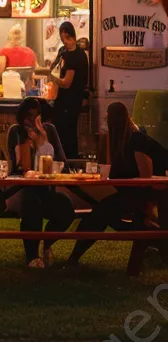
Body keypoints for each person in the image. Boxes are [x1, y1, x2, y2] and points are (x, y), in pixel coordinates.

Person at [66, 102, 155, 266]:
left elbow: (146, 177)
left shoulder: (137, 140)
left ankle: (74, 257)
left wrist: (147, 210)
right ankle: (74, 257)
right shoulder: (116, 139)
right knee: (101, 209)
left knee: (101, 212)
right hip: (118, 193)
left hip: (135, 195)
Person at [6, 97, 75, 267]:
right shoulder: (17, 131)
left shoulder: (49, 130)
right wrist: (31, 141)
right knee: (32, 202)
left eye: (35, 117)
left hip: (46, 187)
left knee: (65, 206)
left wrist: (41, 139)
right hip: (21, 189)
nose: (31, 122)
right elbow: (19, 166)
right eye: (27, 117)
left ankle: (47, 243)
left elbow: (61, 162)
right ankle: (32, 256)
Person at [49, 21, 88, 160]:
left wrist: (51, 78)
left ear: (73, 37)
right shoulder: (64, 52)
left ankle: (68, 161)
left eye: (68, 38)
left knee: (67, 133)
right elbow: (53, 67)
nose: (65, 42)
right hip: (63, 99)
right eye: (62, 38)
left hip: (71, 100)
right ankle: (64, 160)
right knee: (61, 131)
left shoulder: (76, 56)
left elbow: (66, 83)